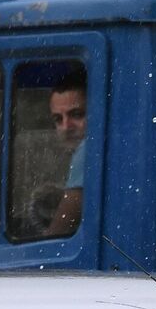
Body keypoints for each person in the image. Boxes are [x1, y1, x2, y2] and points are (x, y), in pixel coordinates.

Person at [44, 72, 86, 236]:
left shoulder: (87, 152)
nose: (66, 127)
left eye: (76, 115)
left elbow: (58, 232)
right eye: (58, 119)